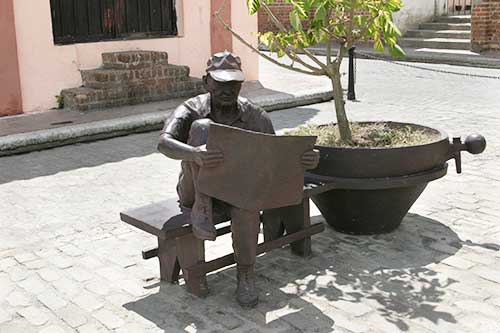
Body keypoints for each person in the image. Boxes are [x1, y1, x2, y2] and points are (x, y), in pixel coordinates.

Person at [158, 51, 319, 307]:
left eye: (233, 84)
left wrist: (305, 160)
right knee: (202, 128)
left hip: (234, 188)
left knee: (247, 206)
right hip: (195, 189)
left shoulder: (255, 115)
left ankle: (246, 273)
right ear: (206, 82)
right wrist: (194, 154)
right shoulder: (191, 108)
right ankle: (203, 205)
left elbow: (274, 156)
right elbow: (164, 143)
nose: (227, 89)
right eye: (220, 83)